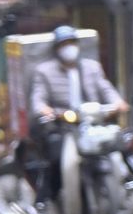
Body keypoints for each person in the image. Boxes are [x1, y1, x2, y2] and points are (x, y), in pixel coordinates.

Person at [28, 25, 125, 204]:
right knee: (57, 155)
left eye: (72, 42)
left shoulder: (92, 67)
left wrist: (117, 103)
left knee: (120, 142)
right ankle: (51, 197)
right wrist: (44, 109)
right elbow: (38, 98)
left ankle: (123, 186)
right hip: (63, 124)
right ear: (57, 49)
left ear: (78, 45)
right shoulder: (45, 71)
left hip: (93, 122)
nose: (69, 47)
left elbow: (106, 89)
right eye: (64, 44)